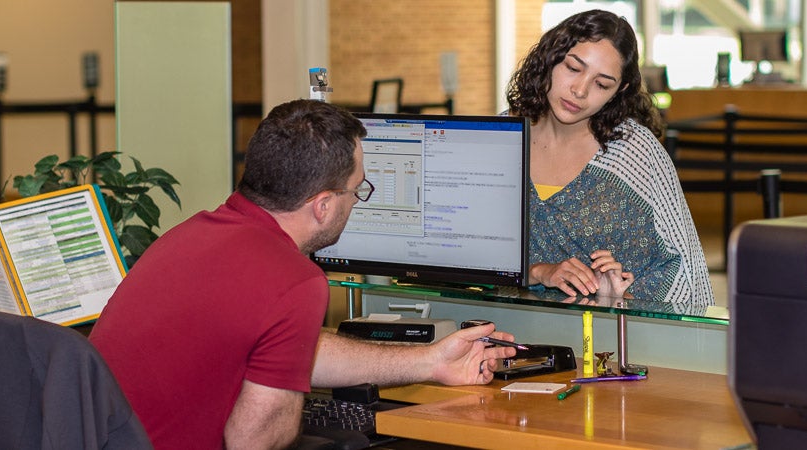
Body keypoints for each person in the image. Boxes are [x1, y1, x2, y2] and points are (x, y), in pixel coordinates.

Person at [88, 99, 517, 450]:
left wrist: (431, 360)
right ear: (323, 205)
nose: (356, 203)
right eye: (358, 190)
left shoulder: (191, 235)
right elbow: (254, 441)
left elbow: (290, 349)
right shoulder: (294, 280)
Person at [505, 9, 714, 307]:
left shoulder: (633, 151)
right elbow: (461, 251)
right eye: (573, 68)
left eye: (601, 84)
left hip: (615, 339)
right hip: (503, 329)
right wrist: (537, 272)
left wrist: (618, 297)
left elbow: (684, 269)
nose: (579, 90)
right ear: (550, 58)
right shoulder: (505, 137)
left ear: (619, 91)